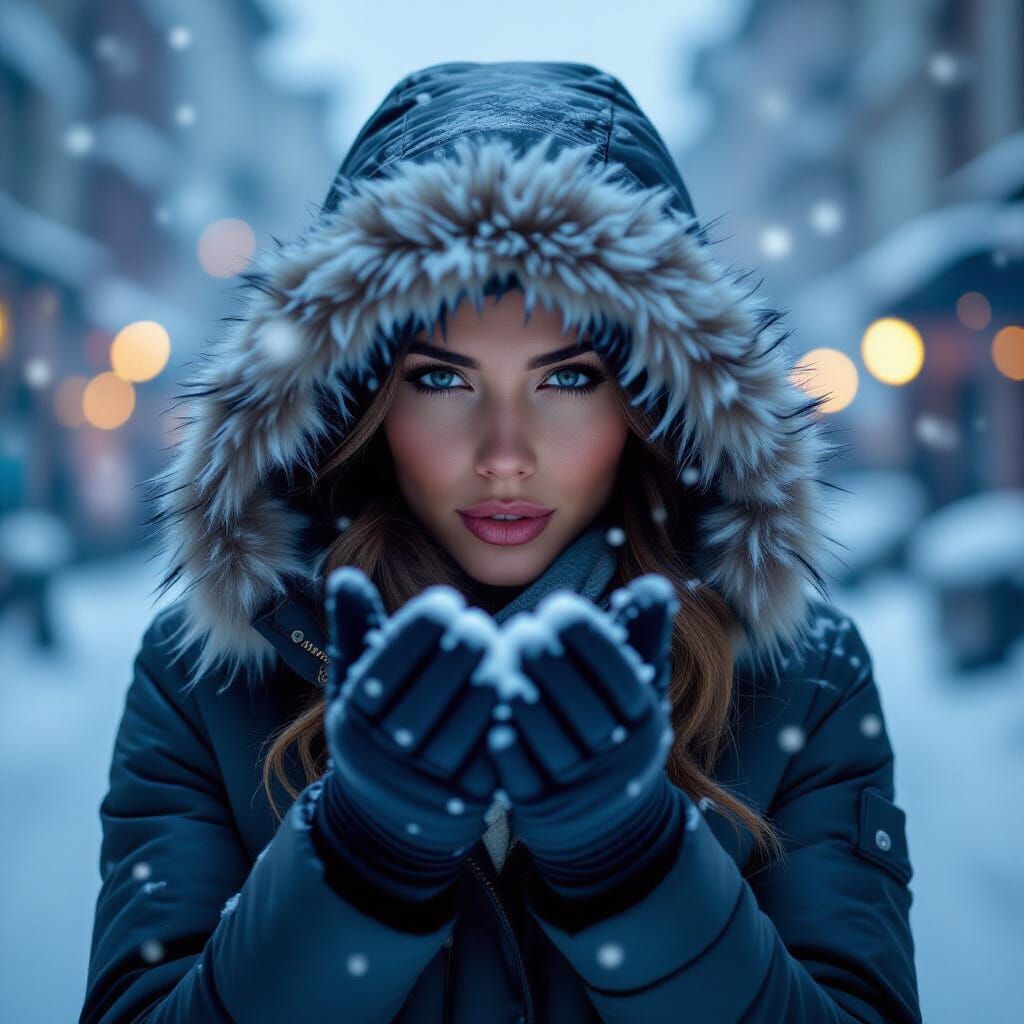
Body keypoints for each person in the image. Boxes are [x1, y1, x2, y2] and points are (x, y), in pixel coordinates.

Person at [80, 62, 922, 1024]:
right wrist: (360, 859)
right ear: (361, 398)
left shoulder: (802, 682)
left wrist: (634, 865)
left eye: (568, 380)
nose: (506, 457)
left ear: (651, 401)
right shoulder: (212, 686)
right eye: (441, 380)